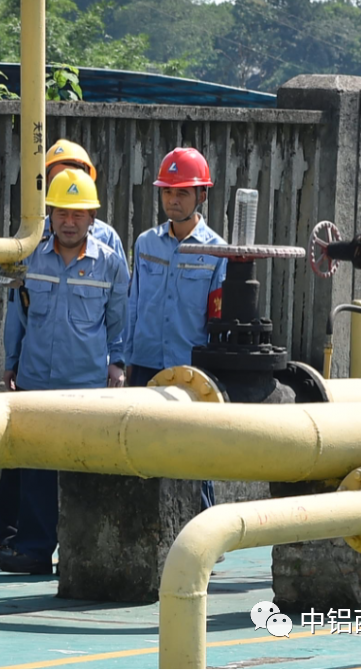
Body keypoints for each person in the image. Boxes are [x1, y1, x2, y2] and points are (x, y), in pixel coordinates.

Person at [0, 138, 129, 568]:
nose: (69, 222)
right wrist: (10, 361)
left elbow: (121, 318)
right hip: (36, 379)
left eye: (77, 213)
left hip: (87, 386)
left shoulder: (109, 261)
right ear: (48, 212)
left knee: (85, 474)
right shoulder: (29, 256)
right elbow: (17, 313)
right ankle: (33, 550)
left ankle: (82, 554)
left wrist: (118, 365)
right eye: (61, 212)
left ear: (92, 216)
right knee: (35, 474)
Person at [125, 147, 227, 510]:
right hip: (145, 365)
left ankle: (204, 535)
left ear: (202, 195)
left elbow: (217, 320)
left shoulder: (218, 252)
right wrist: (125, 361)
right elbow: (133, 303)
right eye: (167, 191)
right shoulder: (146, 243)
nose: (173, 199)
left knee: (195, 456)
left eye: (182, 191)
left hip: (191, 372)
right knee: (141, 456)